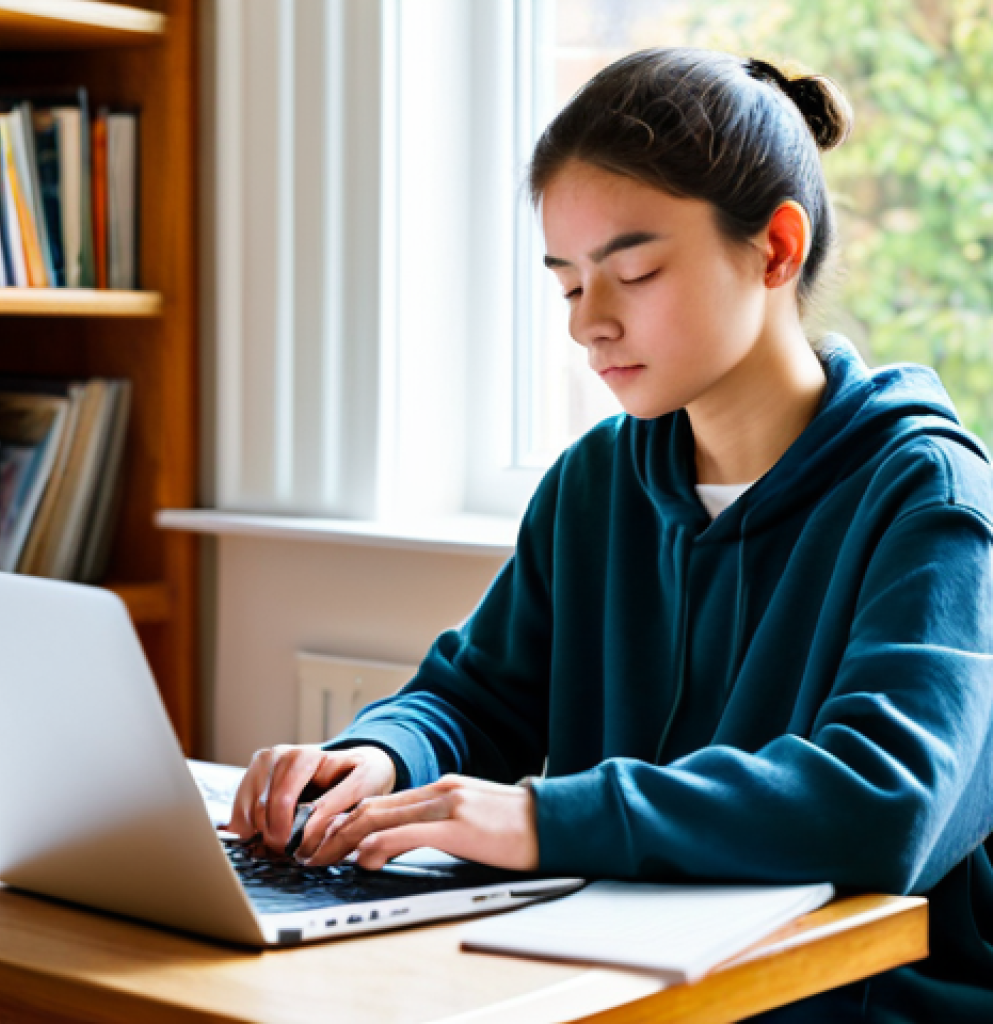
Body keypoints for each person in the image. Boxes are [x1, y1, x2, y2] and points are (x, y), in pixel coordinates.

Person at [228, 48, 993, 1021]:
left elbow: (884, 802)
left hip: (859, 1001)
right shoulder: (595, 482)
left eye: (632, 271)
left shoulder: (929, 496)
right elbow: (474, 695)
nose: (587, 324)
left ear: (774, 249)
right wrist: (378, 759)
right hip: (631, 982)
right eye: (565, 284)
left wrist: (545, 818)